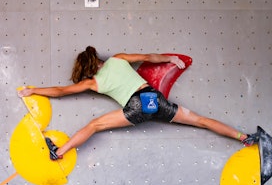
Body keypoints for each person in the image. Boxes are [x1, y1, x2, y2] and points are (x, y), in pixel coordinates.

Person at [18, 46, 259, 160]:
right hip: (153, 99)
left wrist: (33, 91)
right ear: (98, 58)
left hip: (137, 105)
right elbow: (146, 57)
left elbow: (61, 91)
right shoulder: (118, 59)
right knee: (201, 121)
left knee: (94, 125)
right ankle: (245, 138)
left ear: (86, 68)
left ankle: (58, 152)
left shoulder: (93, 83)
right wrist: (171, 58)